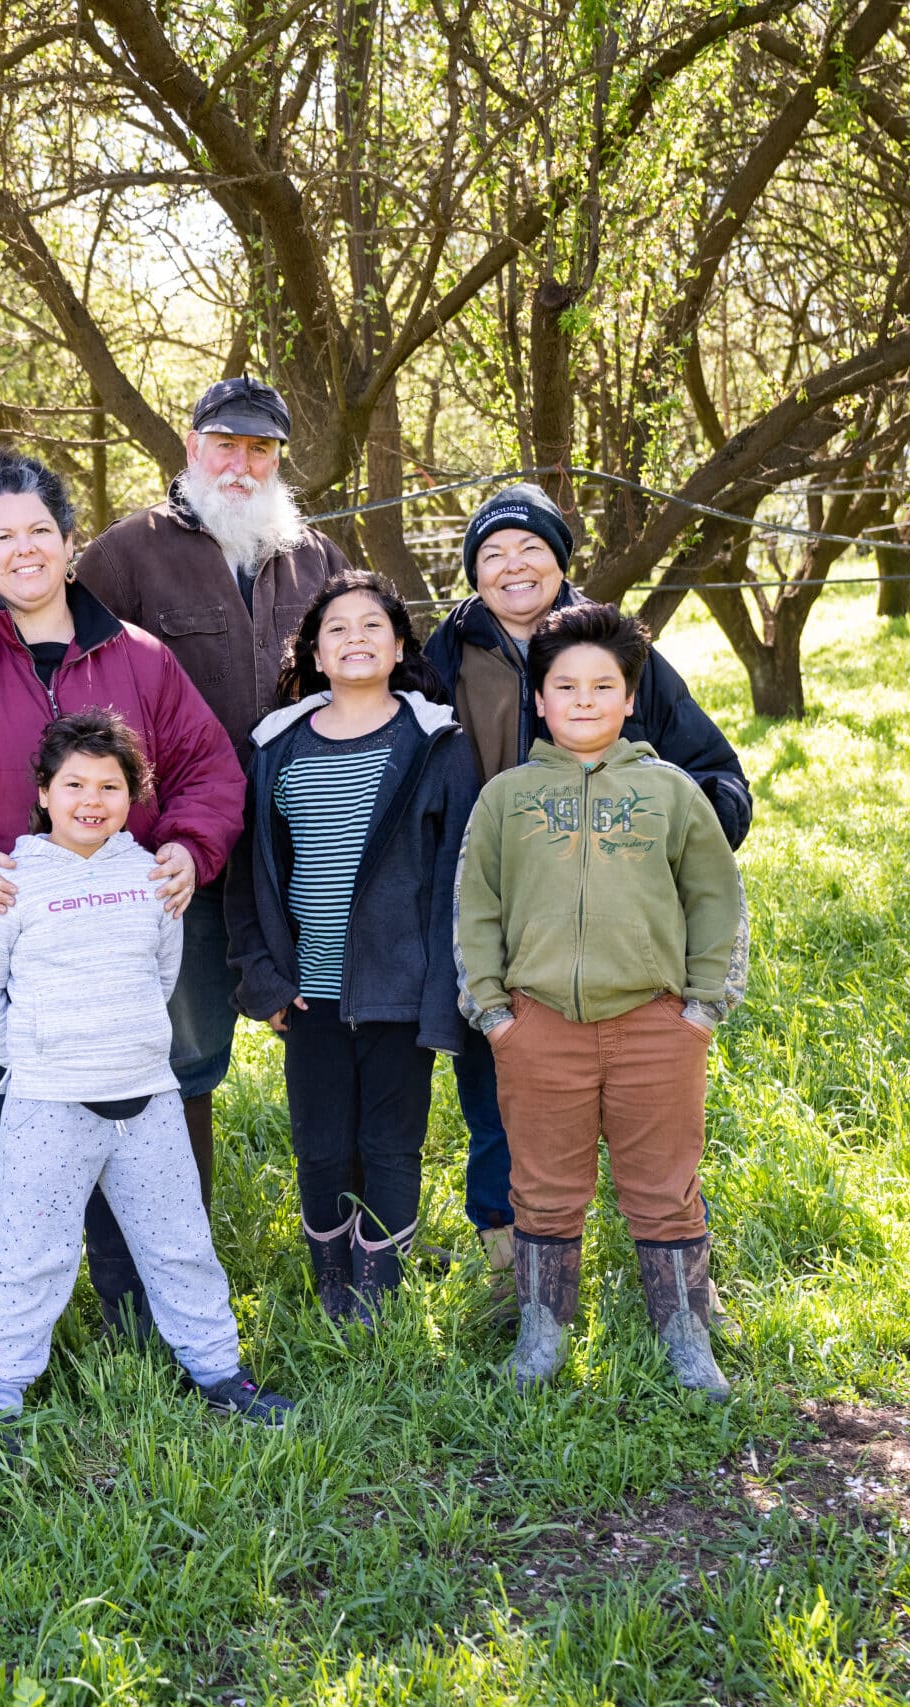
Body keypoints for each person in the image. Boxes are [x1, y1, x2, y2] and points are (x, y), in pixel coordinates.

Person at [0, 448, 246, 1334]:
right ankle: (23, 1322)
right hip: (5, 942)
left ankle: (134, 1314)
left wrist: (189, 847)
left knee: (132, 1117)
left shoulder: (139, 659)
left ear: (70, 542)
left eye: (41, 530)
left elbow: (208, 772)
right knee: (9, 1125)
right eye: (3, 536)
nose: (24, 549)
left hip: (121, 946)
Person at [423, 482, 753, 1305]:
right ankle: (517, 1273)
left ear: (561, 561)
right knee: (500, 1101)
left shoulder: (614, 649)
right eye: (492, 553)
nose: (513, 565)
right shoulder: (446, 653)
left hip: (626, 944)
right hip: (508, 918)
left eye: (530, 547)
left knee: (657, 1124)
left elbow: (716, 776)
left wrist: (652, 842)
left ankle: (685, 1288)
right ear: (473, 574)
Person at [0, 711, 294, 1423]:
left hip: (147, 1099)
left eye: (110, 785)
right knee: (33, 1256)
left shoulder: (150, 875)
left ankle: (220, 1371)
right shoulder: (11, 881)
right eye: (74, 782)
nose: (92, 799)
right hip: (48, 1106)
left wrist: (130, 1041)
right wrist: (35, 1057)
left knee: (182, 1245)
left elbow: (163, 970)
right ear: (44, 791)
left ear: (132, 795)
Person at [453, 602, 747, 1398]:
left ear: (628, 698)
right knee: (543, 1184)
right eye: (564, 685)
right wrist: (494, 1013)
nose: (583, 700)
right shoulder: (506, 800)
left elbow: (718, 900)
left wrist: (700, 1010)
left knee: (664, 1182)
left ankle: (685, 1333)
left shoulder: (672, 793)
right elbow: (474, 907)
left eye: (603, 685)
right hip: (538, 1025)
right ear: (539, 700)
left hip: (655, 1023)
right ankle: (542, 1335)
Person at [74, 378, 349, 1199]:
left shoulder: (314, 554)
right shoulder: (124, 554)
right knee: (181, 1051)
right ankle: (178, 1228)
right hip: (176, 855)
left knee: (328, 1029)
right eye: (224, 445)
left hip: (299, 851)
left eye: (259, 449)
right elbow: (76, 696)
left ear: (278, 460)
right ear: (192, 449)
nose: (240, 464)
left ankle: (340, 1222)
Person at [226, 573, 477, 1323]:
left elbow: (459, 880)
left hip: (402, 987)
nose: (356, 639)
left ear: (400, 647)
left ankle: (381, 1294)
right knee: (322, 1143)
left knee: (391, 1141)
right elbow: (250, 876)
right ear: (314, 652)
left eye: (374, 625)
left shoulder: (437, 743)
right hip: (311, 992)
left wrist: (443, 996)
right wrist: (265, 980)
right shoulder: (276, 747)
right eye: (337, 628)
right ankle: (332, 1285)